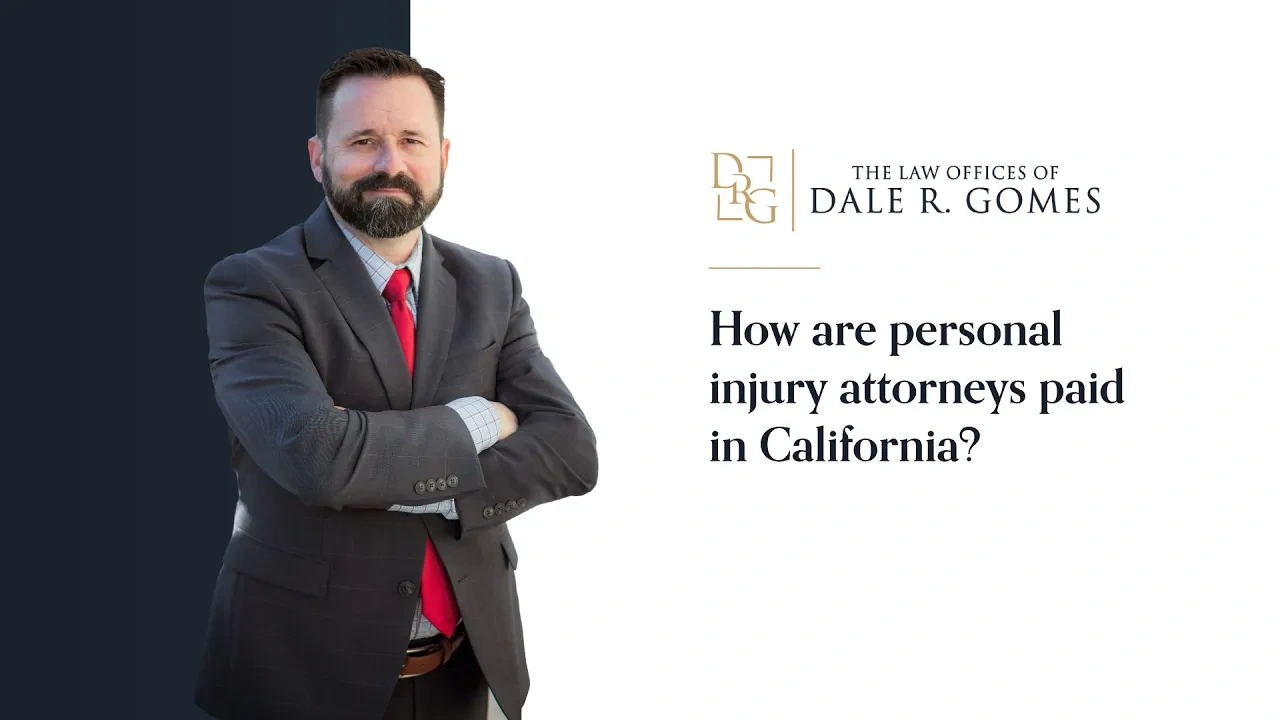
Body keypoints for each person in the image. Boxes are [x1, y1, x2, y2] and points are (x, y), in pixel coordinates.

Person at [193, 47, 598, 720]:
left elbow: (572, 451)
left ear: (443, 155)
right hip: (301, 675)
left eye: (412, 140)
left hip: (466, 669)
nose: (391, 163)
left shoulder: (491, 282)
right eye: (363, 141)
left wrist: (400, 475)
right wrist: (482, 420)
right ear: (318, 157)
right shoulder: (253, 285)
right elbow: (317, 458)